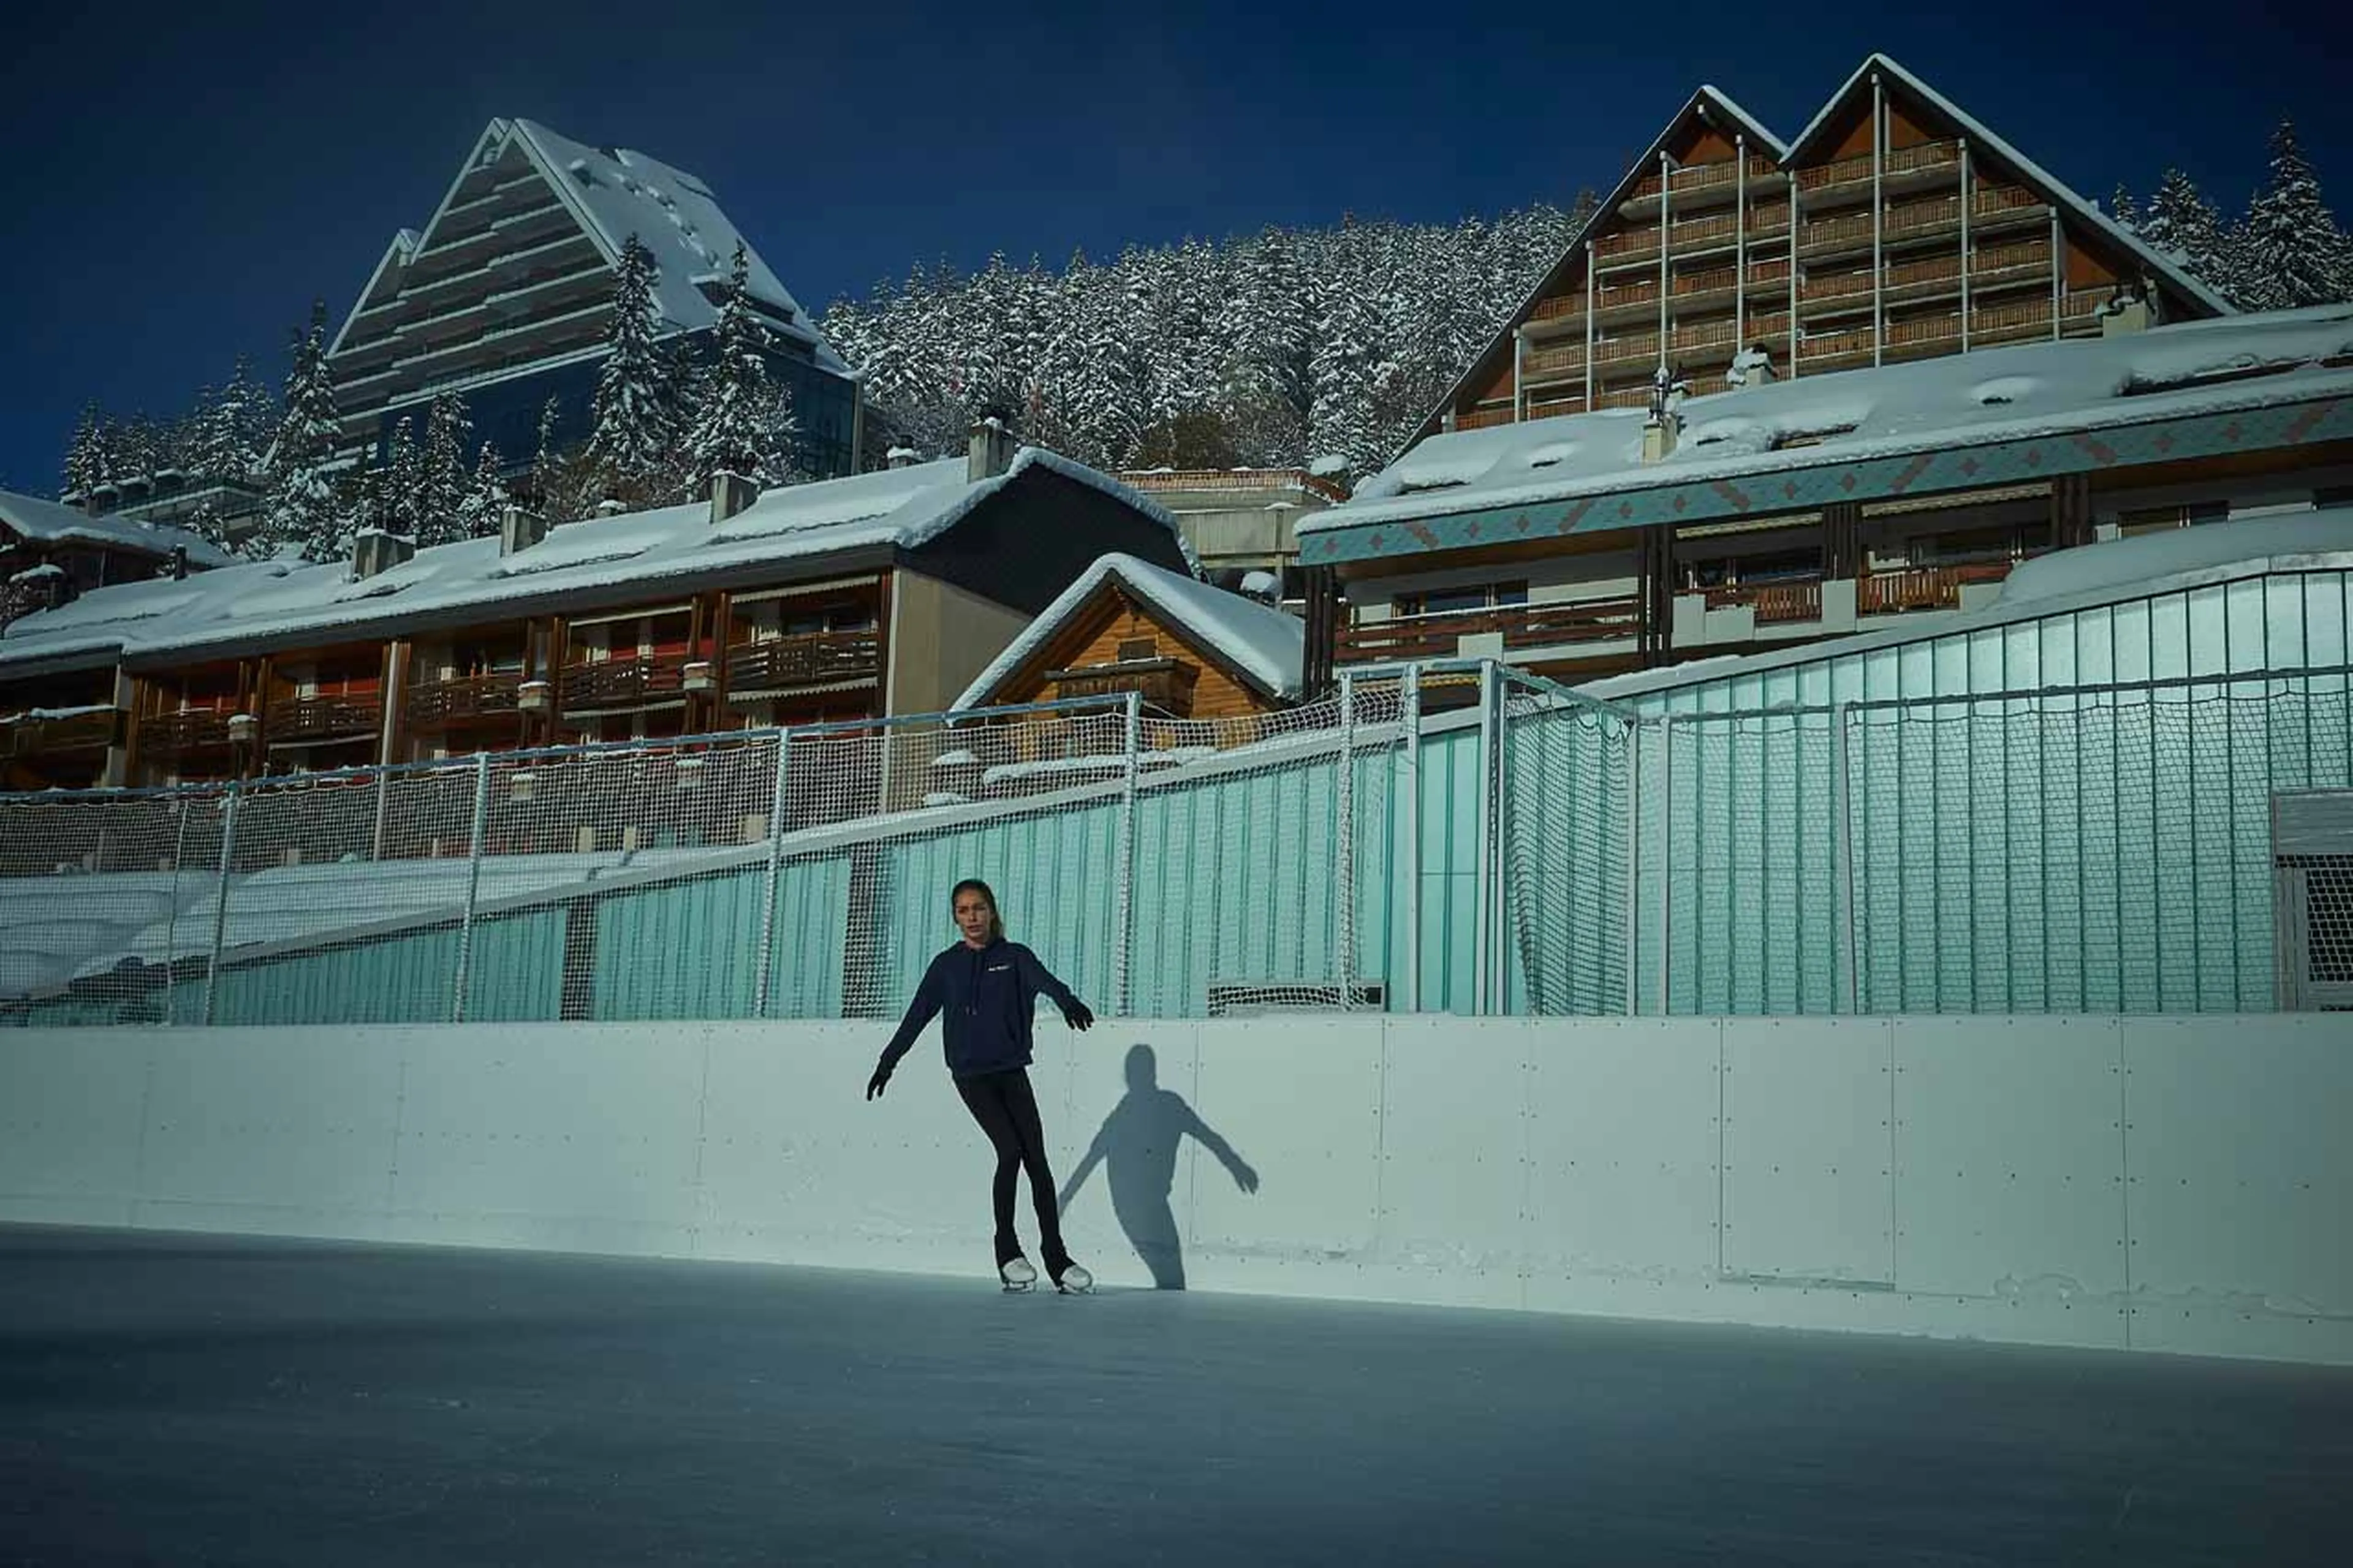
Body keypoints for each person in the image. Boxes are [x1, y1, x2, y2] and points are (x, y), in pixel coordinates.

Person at [865, 878, 1096, 1293]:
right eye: (963, 910)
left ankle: (1057, 1259)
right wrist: (888, 1062)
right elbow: (916, 1016)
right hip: (972, 1076)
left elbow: (1048, 983)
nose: (972, 917)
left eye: (979, 908)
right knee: (1009, 1151)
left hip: (1011, 1070)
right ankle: (1007, 1252)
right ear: (956, 917)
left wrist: (1069, 1002)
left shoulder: (1015, 957)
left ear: (992, 911)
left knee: (1037, 1162)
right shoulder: (945, 966)